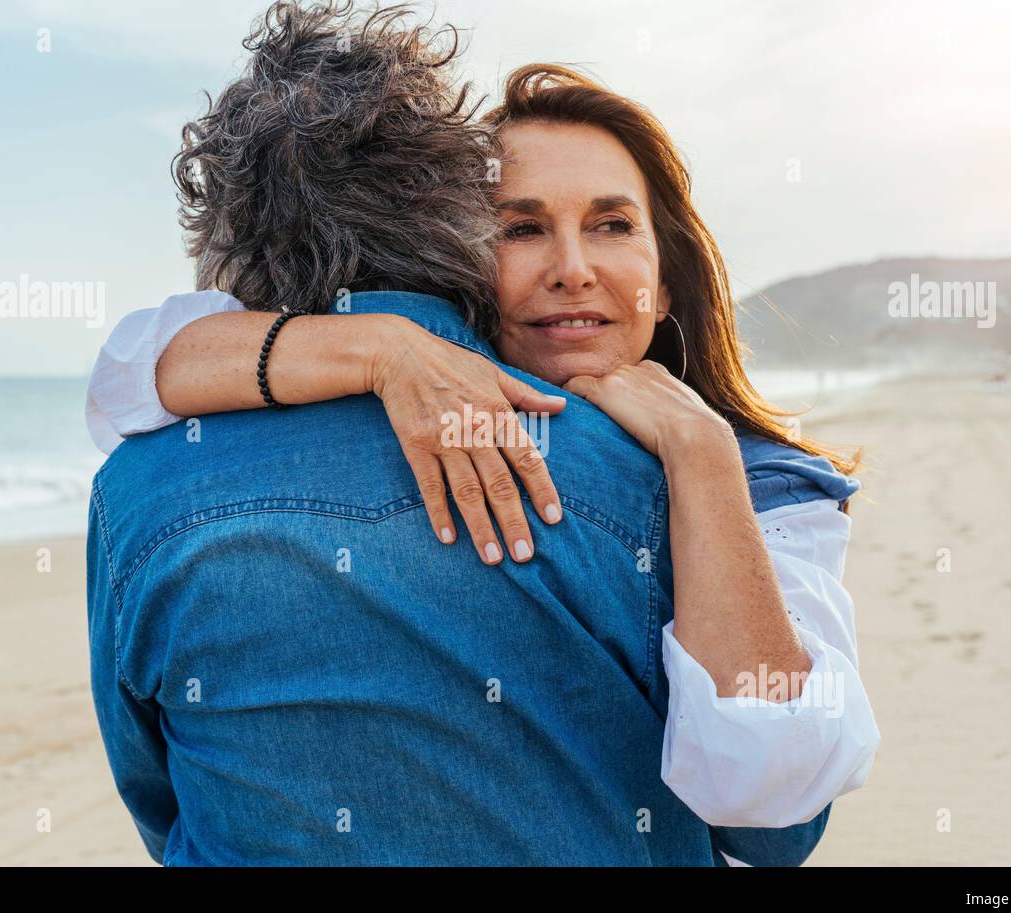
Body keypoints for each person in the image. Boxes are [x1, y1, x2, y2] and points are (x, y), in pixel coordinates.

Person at [87, 0, 879, 865]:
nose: (573, 268)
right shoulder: (390, 377)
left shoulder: (765, 482)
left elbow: (773, 818)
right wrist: (379, 347)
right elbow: (129, 366)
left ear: (667, 268)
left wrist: (703, 457)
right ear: (457, 253)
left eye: (613, 225)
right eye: (522, 228)